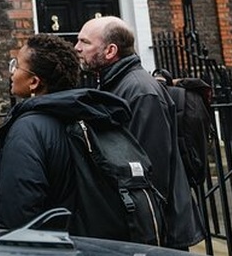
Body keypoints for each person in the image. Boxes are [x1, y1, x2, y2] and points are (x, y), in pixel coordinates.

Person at [76, 16, 204, 249]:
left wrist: (145, 232)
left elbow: (150, 170)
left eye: (85, 42)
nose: (77, 48)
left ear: (110, 50)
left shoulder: (140, 91)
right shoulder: (113, 84)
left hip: (155, 230)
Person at [0, 33, 133, 229]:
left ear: (34, 82)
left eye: (16, 65)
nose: (12, 72)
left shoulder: (27, 129)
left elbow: (18, 212)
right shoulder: (90, 116)